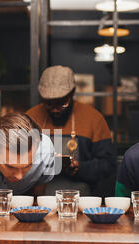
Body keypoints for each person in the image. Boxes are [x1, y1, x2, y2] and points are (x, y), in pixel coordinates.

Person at [26, 65, 116, 196]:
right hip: (36, 199)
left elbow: (108, 165)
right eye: (49, 103)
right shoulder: (29, 118)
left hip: (80, 199)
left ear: (72, 93)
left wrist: (79, 168)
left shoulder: (93, 119)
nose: (55, 109)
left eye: (62, 102)